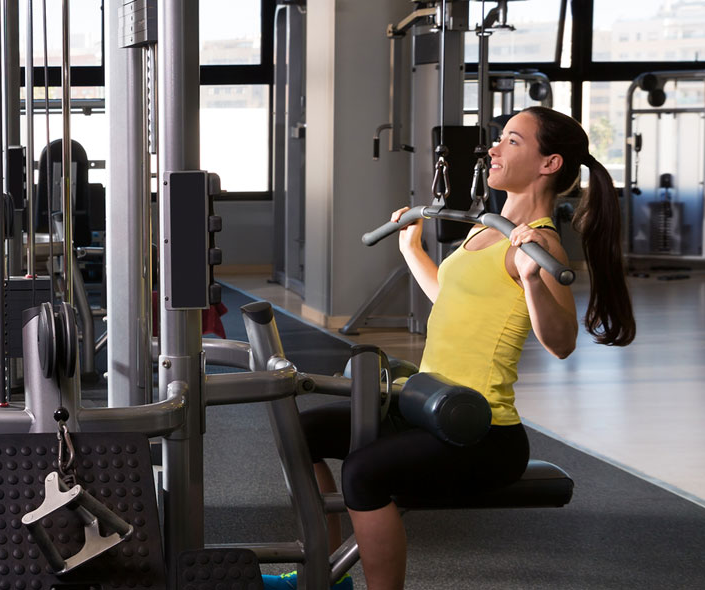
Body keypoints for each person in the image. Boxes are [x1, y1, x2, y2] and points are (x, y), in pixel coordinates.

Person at [265, 107, 635, 590]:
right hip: (431, 405)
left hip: (481, 431)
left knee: (363, 473)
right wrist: (411, 250)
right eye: (499, 138)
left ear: (549, 163)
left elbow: (562, 343)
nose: (493, 149)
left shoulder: (541, 245)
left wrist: (532, 281)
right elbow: (452, 300)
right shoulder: (486, 228)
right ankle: (323, 578)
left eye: (512, 141)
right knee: (301, 432)